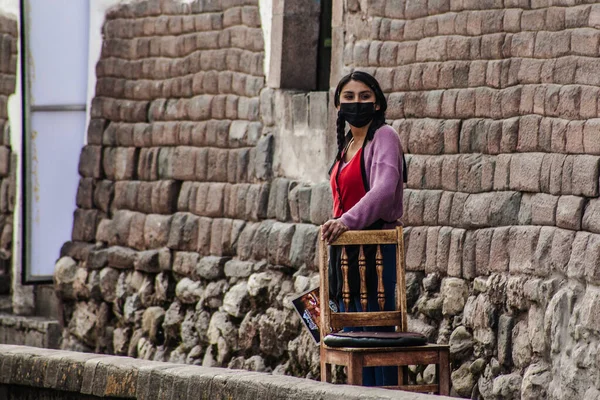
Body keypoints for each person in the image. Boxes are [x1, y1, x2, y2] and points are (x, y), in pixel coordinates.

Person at [321, 70, 405, 387]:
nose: (357, 103)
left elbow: (383, 193)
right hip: (346, 255)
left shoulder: (384, 137)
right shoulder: (347, 146)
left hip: (376, 252)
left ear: (379, 103)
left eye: (365, 97)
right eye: (349, 98)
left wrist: (344, 222)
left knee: (376, 337)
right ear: (339, 106)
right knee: (352, 336)